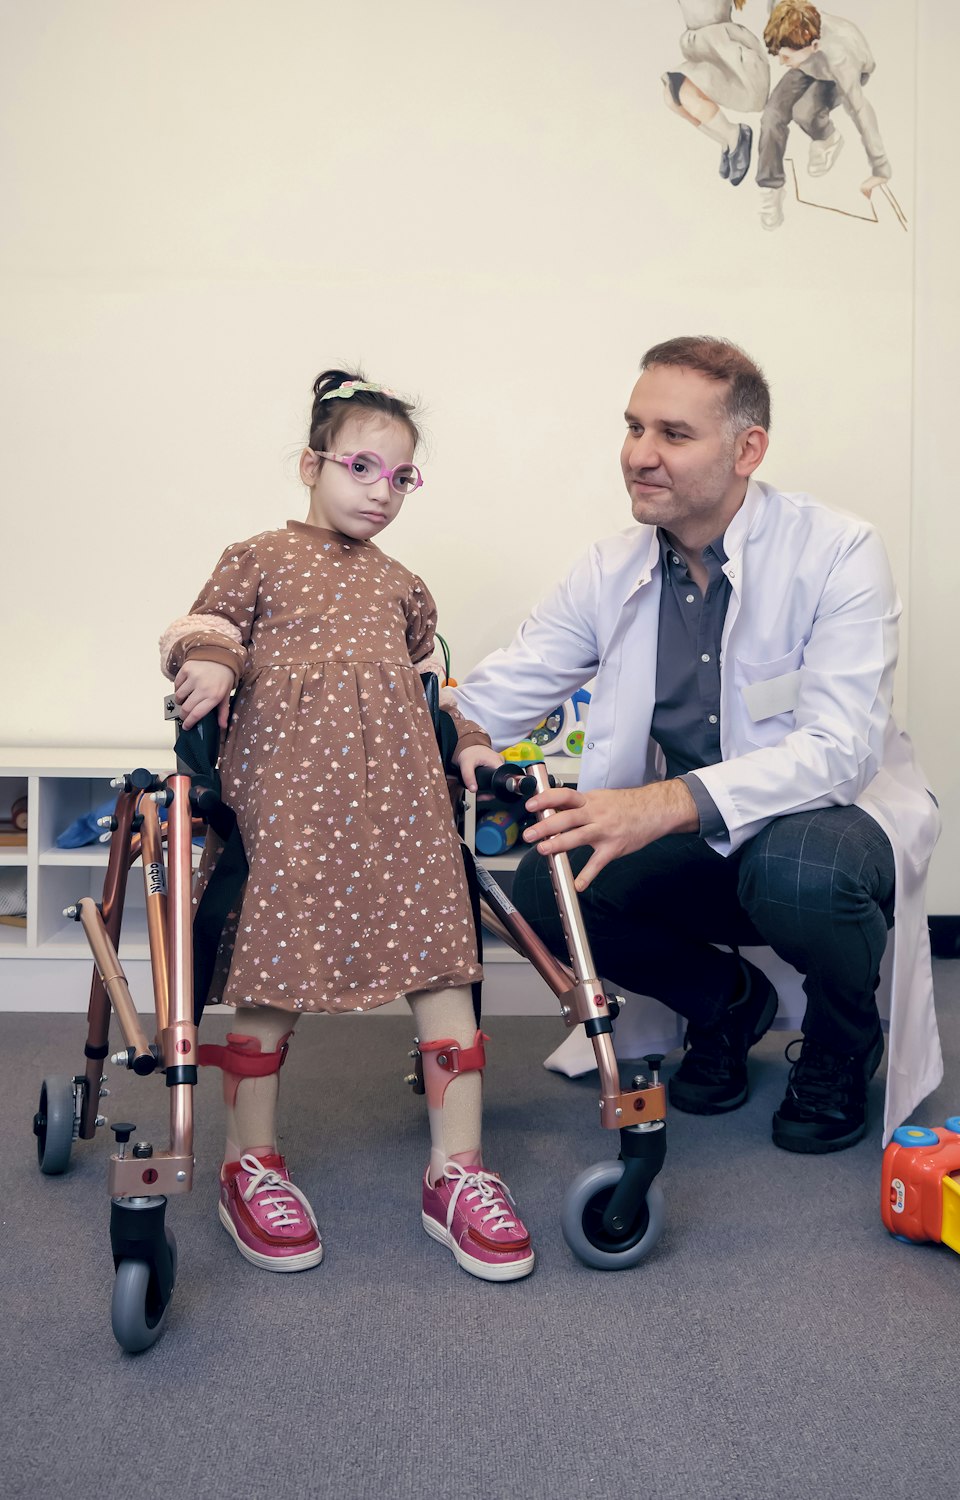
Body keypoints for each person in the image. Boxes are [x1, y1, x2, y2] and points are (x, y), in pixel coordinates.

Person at [451, 336, 941, 1155]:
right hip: (700, 840)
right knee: (547, 886)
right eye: (634, 427)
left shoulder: (838, 552)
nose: (639, 455)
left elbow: (840, 751)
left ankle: (840, 1042)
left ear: (747, 449)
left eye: (673, 434)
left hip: (830, 824)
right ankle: (724, 1002)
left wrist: (660, 802)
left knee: (798, 871)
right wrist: (431, 721)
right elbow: (500, 691)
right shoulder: (609, 570)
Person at [159, 370, 533, 1280]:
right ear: (310, 465)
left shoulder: (406, 587)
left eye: (401, 477)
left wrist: (476, 745)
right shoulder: (259, 556)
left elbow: (432, 693)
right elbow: (203, 626)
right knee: (272, 967)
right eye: (362, 466)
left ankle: (459, 1171)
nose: (381, 489)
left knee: (446, 960)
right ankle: (251, 1162)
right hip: (290, 806)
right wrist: (209, 664)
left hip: (403, 811)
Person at [756, 2, 892, 230]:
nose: (781, 63)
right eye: (779, 56)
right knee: (771, 115)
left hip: (840, 71)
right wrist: (792, 57)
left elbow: (860, 110)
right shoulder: (782, 13)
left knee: (805, 112)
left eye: (786, 57)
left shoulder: (842, 59)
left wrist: (881, 168)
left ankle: (827, 138)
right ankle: (771, 187)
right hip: (806, 62)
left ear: (815, 45)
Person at [662, 1, 771, 187]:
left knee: (686, 94)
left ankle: (735, 134)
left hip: (725, 51)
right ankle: (726, 141)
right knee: (671, 97)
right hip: (702, 49)